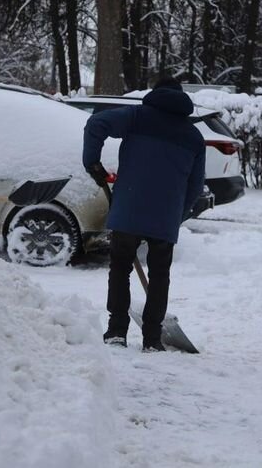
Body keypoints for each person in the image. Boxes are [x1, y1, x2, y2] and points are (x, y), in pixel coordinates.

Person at [82, 77, 206, 352]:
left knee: (120, 268)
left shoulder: (136, 117)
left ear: (156, 93)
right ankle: (152, 339)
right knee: (160, 275)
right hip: (165, 215)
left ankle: (116, 331)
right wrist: (178, 214)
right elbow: (196, 185)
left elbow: (96, 124)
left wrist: (92, 162)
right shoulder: (193, 136)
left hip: (128, 208)